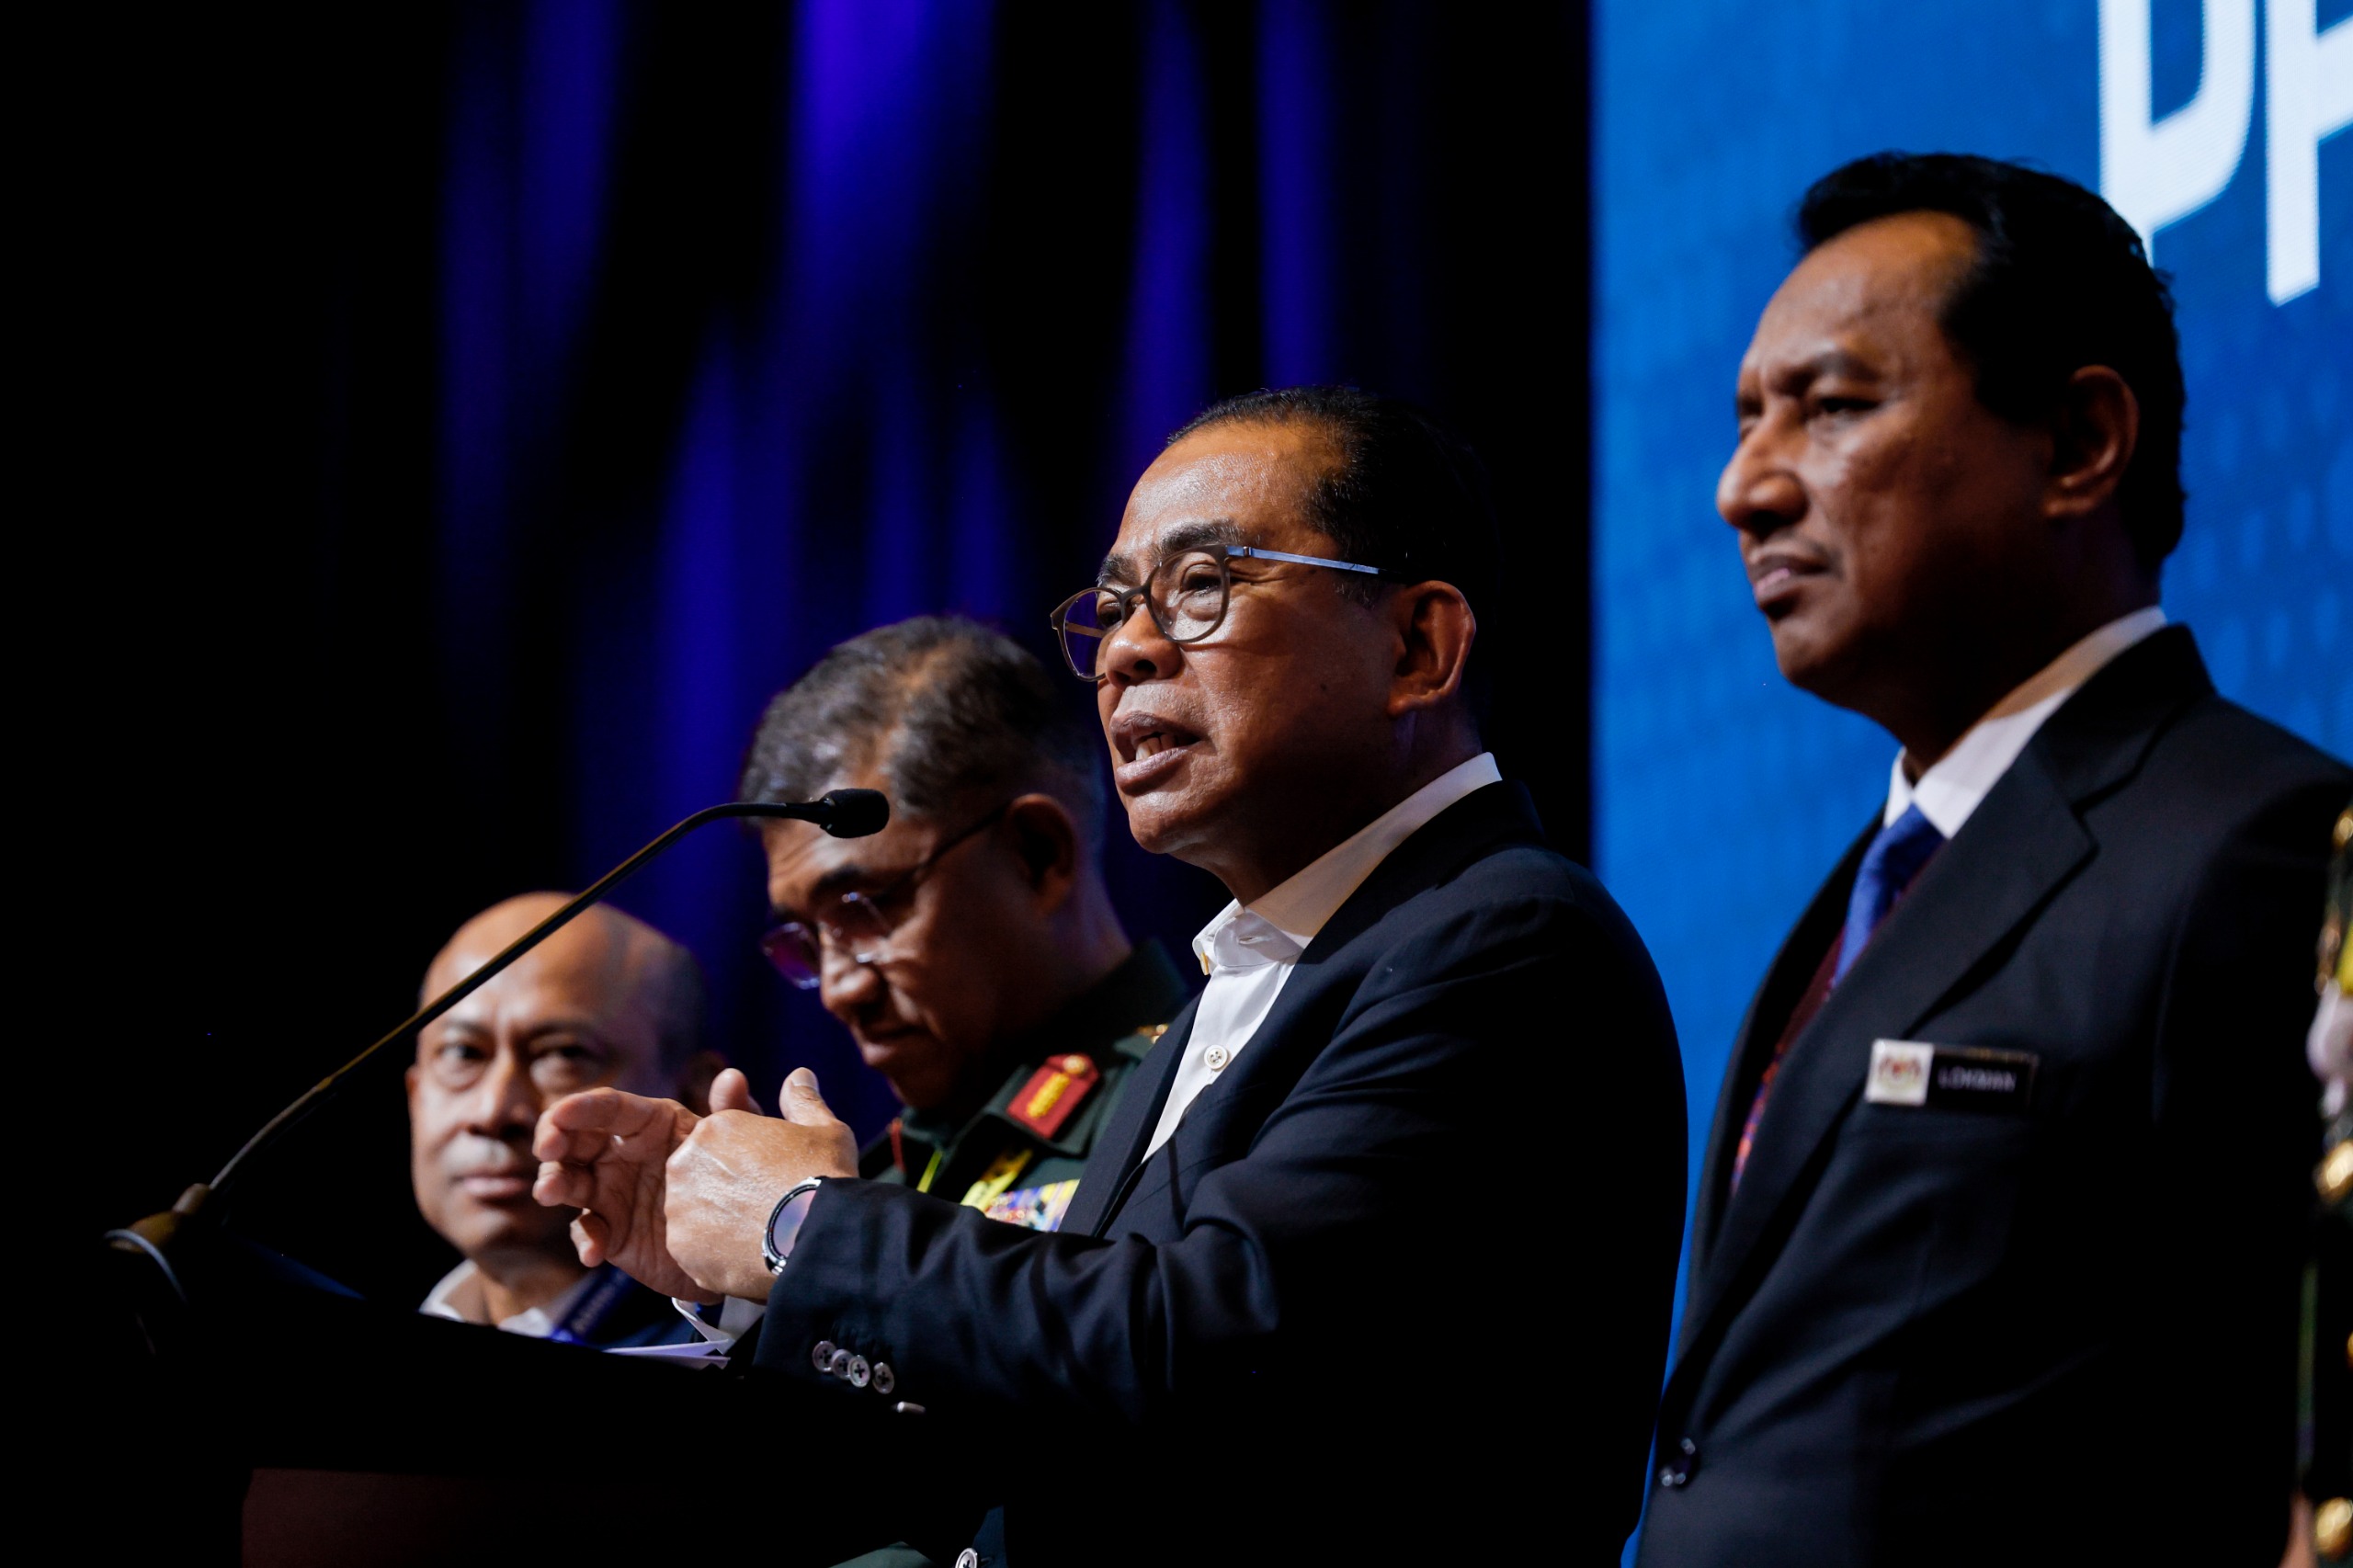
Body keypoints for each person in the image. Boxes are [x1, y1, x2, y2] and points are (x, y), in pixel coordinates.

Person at [533, 387, 1688, 1564]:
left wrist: (802, 1225)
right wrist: (744, 1275)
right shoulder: (1244, 986)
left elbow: (1210, 1347)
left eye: (1203, 585)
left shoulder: (1504, 938)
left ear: (1415, 647)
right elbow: (1037, 1406)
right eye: (1119, 604)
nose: (1129, 650)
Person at [1635, 153, 2353, 1567]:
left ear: (2081, 441)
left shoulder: (2259, 845)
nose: (1743, 489)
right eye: (1746, 421)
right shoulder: (1863, 894)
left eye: (1832, 407)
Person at [737, 619, 1186, 1242]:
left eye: (866, 909)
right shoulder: (879, 1172)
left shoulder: (1194, 1107)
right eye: (807, 939)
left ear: (1035, 855)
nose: (840, 992)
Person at [409, 893, 716, 1346]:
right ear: (415, 1095)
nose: (493, 1113)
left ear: (694, 1098)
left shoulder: (750, 1348)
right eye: (463, 1053)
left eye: (564, 1055)